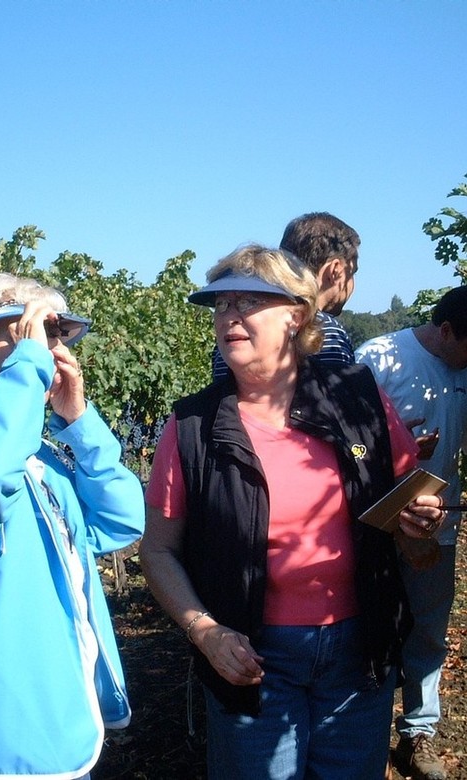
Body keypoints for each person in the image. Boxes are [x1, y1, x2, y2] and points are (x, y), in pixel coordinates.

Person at [140, 244, 445, 780]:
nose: (228, 315)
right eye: (220, 304)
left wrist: (419, 527)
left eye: (248, 301)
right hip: (251, 659)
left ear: (296, 316)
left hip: (360, 650)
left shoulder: (358, 398)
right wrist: (205, 631)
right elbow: (159, 550)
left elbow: (410, 527)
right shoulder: (191, 427)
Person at [0, 273, 145, 779]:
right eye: (20, 330)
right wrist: (29, 366)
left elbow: (121, 519)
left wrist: (77, 419)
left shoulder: (41, 457)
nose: (43, 346)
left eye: (52, 334)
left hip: (63, 723)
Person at [356, 286, 467, 780]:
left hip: (435, 526)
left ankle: (418, 730)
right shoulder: (377, 358)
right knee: (368, 626)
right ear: (445, 331)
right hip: (373, 527)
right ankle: (361, 731)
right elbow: (347, 445)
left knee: (427, 629)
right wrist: (394, 448)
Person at [212, 212, 360, 381]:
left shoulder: (232, 338)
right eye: (353, 272)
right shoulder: (327, 332)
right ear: (336, 270)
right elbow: (338, 402)